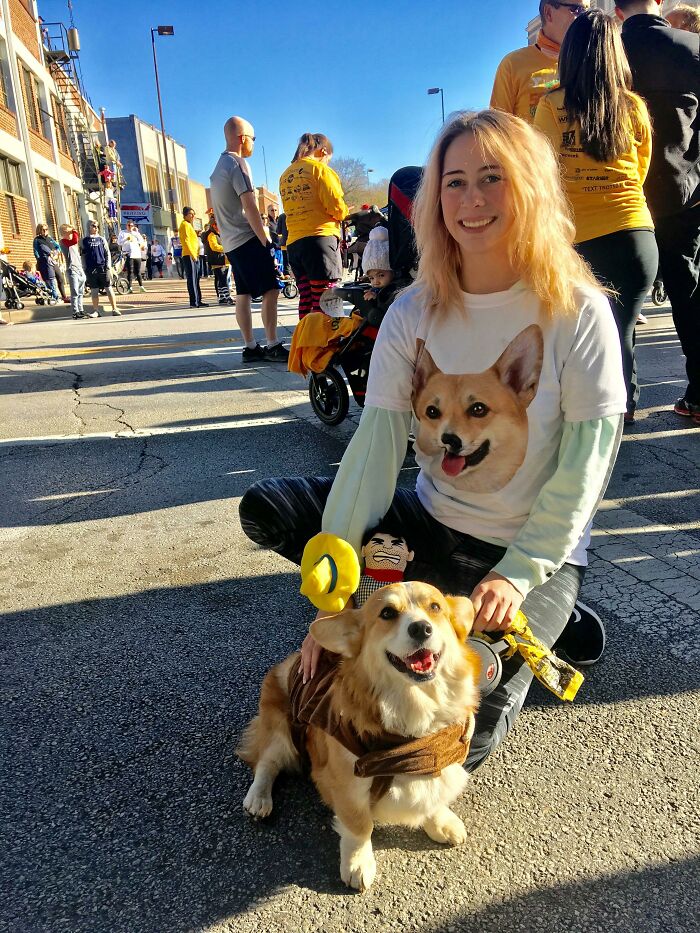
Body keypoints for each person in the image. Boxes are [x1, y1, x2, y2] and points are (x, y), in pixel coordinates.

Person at [239, 109, 627, 773]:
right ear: (433, 199)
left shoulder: (576, 310)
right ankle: (480, 602)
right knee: (271, 509)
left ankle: (553, 610)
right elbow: (378, 443)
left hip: (528, 547)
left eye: (491, 178)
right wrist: (334, 597)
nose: (471, 200)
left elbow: (587, 464)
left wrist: (523, 568)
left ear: (529, 186)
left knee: (442, 747)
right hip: (427, 521)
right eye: (454, 182)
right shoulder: (413, 311)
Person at [534, 9, 657, 423]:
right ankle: (626, 407)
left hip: (579, 240)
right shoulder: (635, 107)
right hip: (636, 236)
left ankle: (594, 413)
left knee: (582, 335)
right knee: (621, 330)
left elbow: (544, 174)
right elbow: (640, 171)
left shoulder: (552, 105)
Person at [617, 0, 700, 424]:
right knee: (688, 288)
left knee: (619, 295)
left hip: (622, 195)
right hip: (683, 192)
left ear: (616, 11)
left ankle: (621, 401)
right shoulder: (691, 47)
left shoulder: (609, 53)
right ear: (660, 2)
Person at [209, 115, 288, 362]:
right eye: (253, 138)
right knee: (271, 290)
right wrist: (265, 240)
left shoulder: (218, 167)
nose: (253, 143)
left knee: (243, 294)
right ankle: (273, 343)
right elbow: (250, 206)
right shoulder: (237, 164)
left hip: (231, 242)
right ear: (243, 138)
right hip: (247, 237)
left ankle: (250, 346)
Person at [279, 132, 349, 318]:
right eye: (328, 158)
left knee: (307, 299)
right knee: (326, 298)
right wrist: (345, 212)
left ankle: (306, 342)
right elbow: (336, 206)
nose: (327, 162)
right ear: (323, 150)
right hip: (320, 241)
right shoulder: (320, 170)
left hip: (295, 244)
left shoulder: (285, 175)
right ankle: (325, 343)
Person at [491, 0, 590, 123]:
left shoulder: (592, 62)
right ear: (548, 13)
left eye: (588, 12)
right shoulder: (513, 65)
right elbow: (497, 134)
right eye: (577, 10)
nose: (586, 20)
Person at [82, 220, 120, 316]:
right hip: (91, 268)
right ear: (89, 227)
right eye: (93, 226)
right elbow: (82, 255)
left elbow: (107, 253)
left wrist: (107, 266)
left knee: (108, 287)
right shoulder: (84, 240)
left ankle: (114, 308)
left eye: (97, 226)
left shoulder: (101, 239)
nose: (96, 228)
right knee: (94, 290)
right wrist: (84, 268)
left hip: (102, 267)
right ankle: (96, 310)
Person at [59, 222, 96, 320]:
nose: (71, 234)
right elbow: (74, 239)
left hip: (79, 268)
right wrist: (75, 231)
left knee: (80, 291)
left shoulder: (74, 243)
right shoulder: (63, 242)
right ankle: (75, 312)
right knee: (74, 292)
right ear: (65, 233)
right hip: (72, 269)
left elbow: (76, 242)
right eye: (69, 232)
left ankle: (80, 309)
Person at [178, 206, 207, 309]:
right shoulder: (184, 224)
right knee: (192, 279)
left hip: (194, 255)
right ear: (185, 215)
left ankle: (198, 299)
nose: (193, 216)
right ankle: (194, 301)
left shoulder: (189, 225)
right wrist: (193, 254)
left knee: (196, 278)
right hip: (189, 255)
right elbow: (186, 241)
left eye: (193, 214)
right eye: (191, 214)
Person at [345, 204, 386, 276]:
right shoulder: (382, 219)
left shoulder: (362, 216)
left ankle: (354, 262)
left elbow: (346, 219)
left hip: (363, 242)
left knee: (350, 249)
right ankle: (356, 262)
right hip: (374, 243)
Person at [33, 223, 69, 302]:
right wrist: (40, 259)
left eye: (46, 229)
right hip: (45, 262)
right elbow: (36, 252)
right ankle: (54, 297)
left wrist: (56, 253)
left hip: (53, 261)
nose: (45, 231)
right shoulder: (37, 240)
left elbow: (58, 247)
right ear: (40, 230)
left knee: (60, 278)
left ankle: (64, 297)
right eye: (43, 229)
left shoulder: (50, 238)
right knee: (50, 280)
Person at [202, 216, 234, 305]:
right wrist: (226, 248)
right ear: (213, 225)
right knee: (223, 280)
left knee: (221, 280)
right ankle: (228, 297)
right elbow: (214, 247)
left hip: (223, 260)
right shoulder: (212, 235)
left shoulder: (219, 234)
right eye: (216, 224)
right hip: (218, 261)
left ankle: (222, 297)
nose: (218, 226)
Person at [118, 221, 146, 293]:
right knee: (130, 271)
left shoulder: (135, 233)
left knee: (138, 271)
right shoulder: (123, 233)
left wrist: (138, 234)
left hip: (137, 254)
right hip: (128, 254)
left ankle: (141, 286)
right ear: (126, 226)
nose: (130, 227)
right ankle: (130, 287)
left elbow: (142, 241)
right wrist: (126, 239)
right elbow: (119, 242)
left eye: (132, 225)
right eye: (129, 225)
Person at [277, 211, 290, 275]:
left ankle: (288, 281)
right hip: (296, 241)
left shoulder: (282, 216)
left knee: (286, 264)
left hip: (285, 243)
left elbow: (278, 231)